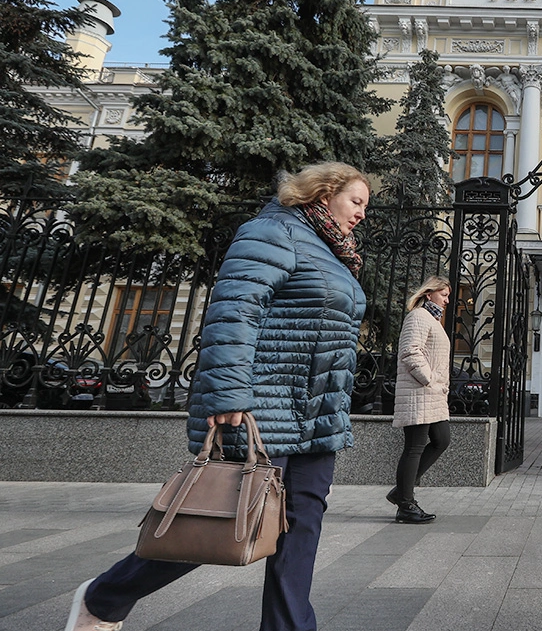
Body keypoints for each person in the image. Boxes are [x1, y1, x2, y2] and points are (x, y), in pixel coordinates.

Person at [64, 162, 370, 631]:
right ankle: (103, 598)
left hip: (318, 414)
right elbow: (234, 312)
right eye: (357, 201)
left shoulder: (333, 252)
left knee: (301, 531)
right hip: (264, 406)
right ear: (323, 193)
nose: (362, 214)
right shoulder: (272, 231)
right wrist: (228, 393)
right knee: (219, 524)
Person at [386, 276, 453, 524]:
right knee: (414, 447)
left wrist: (434, 384)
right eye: (443, 295)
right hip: (419, 392)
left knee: (441, 440)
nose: (447, 300)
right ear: (429, 294)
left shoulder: (432, 319)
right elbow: (409, 351)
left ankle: (400, 492)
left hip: (431, 394)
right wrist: (429, 379)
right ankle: (405, 504)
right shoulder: (418, 316)